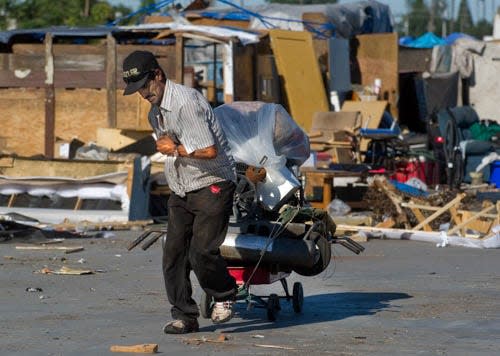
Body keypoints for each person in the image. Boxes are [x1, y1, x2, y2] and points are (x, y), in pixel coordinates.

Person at [122, 50, 237, 334]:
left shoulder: (186, 103)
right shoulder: (155, 112)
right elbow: (170, 143)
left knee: (202, 251)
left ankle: (223, 294)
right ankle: (185, 316)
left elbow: (210, 151)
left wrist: (173, 149)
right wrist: (171, 148)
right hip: (182, 186)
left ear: (157, 75)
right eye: (136, 90)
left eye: (144, 87)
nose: (142, 95)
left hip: (213, 182)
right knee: (173, 254)